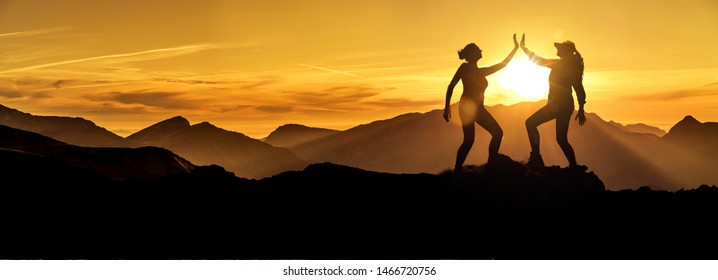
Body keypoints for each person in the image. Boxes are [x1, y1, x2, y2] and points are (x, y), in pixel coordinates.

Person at [444, 34, 519, 173]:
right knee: (470, 140)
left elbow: (503, 64)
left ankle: (490, 163)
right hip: (467, 108)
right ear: (473, 54)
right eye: (478, 49)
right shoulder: (464, 68)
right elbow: (451, 86)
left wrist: (515, 48)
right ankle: (459, 169)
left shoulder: (481, 72)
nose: (481, 51)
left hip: (478, 109)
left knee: (494, 134)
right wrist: (446, 107)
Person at [520, 34, 587, 169]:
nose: (557, 49)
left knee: (530, 123)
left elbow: (538, 60)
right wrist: (580, 109)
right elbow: (579, 89)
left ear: (566, 52)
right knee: (561, 139)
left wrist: (524, 48)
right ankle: (574, 166)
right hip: (567, 105)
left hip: (557, 104)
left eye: (560, 48)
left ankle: (536, 158)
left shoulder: (559, 65)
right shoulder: (572, 67)